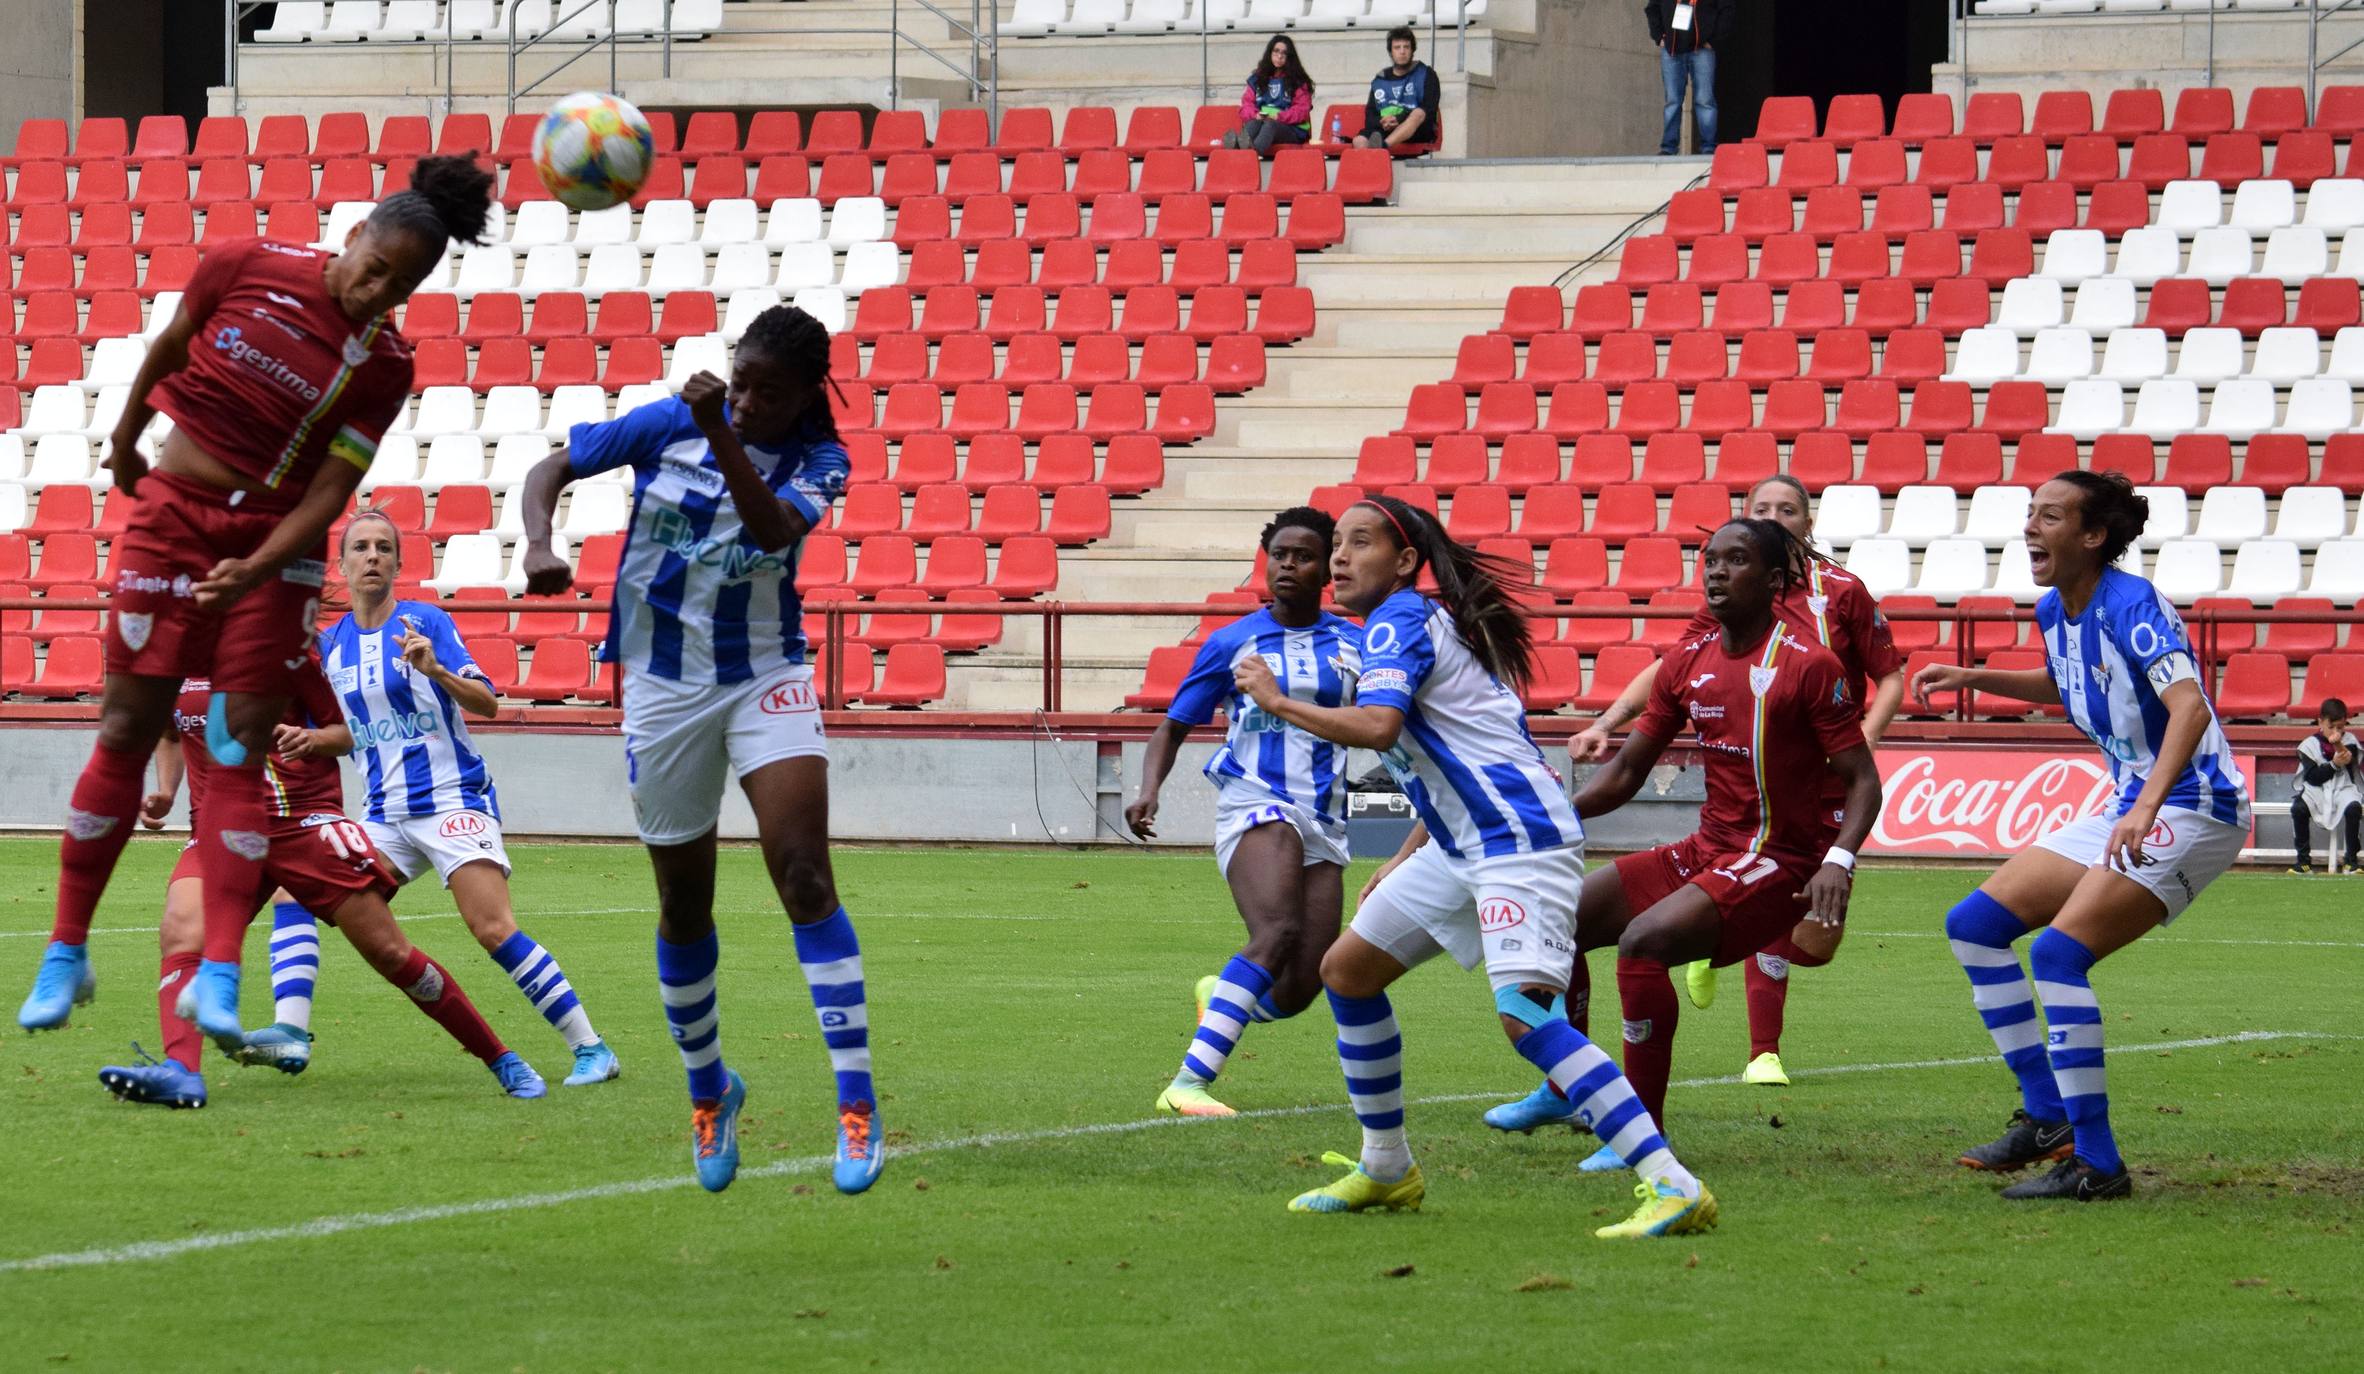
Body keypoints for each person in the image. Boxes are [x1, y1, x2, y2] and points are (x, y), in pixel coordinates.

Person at [18, 156, 495, 1038]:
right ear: (352, 237)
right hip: (175, 514)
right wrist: (124, 442)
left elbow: (329, 492)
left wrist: (260, 563)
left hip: (277, 555)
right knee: (126, 726)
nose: (378, 291)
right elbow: (167, 347)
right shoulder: (247, 264)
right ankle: (66, 950)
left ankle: (225, 978)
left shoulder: (384, 365)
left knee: (237, 749)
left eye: (404, 285)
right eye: (376, 266)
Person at [1232, 494, 1717, 1240]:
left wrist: (1274, 698)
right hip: (1465, 845)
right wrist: (1403, 856)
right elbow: (1453, 752)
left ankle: (1672, 1185)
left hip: (1517, 840)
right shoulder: (1414, 621)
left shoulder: (1397, 620)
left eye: (1360, 543)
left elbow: (1379, 727)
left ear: (1402, 562)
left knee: (1524, 1016)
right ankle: (1388, 1168)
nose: (1338, 557)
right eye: (1339, 545)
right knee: (1348, 972)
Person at [514, 304, 878, 1196]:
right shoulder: (667, 420)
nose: (748, 401)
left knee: (803, 875)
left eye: (769, 392)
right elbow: (551, 466)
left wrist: (718, 425)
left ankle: (859, 1103)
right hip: (661, 688)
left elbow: (768, 532)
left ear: (806, 396)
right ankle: (710, 1089)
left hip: (766, 674)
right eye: (740, 381)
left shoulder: (821, 461)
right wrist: (537, 542)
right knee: (684, 907)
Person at [1488, 475, 1904, 1134]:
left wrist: (1840, 861)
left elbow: (1863, 779)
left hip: (1778, 858)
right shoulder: (1690, 659)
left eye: (1736, 561)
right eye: (1711, 561)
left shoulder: (1809, 664)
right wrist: (1556, 815)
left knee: (1645, 941)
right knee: (1561, 920)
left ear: (1773, 582)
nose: (1716, 572)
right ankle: (1566, 1085)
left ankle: (1637, 1130)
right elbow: (1628, 771)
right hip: (1708, 849)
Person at [1913, 471, 2250, 1202]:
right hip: (2135, 799)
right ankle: (2045, 1118)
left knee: (2061, 954)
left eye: (2051, 516)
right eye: (2029, 513)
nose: (2031, 527)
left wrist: (2145, 807)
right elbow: (2067, 685)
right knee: (1973, 925)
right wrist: (1974, 676)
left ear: (2093, 537)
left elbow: (2188, 709)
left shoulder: (2132, 603)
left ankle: (2098, 1162)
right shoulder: (2052, 611)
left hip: (2195, 805)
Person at [97, 658, 545, 1107]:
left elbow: (349, 732)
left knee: (389, 952)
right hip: (220, 829)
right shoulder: (175, 659)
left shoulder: (288, 654)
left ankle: (500, 1057)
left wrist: (312, 739)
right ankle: (181, 1073)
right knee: (179, 932)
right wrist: (166, 790)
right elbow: (170, 731)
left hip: (302, 824)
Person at [308, 508, 619, 1085]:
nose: (372, 556)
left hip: (451, 801)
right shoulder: (330, 647)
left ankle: (592, 1049)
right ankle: (290, 1029)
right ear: (343, 565)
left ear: (399, 563)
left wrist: (434, 671)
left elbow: (487, 702)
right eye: (361, 548)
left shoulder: (425, 622)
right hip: (382, 816)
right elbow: (346, 732)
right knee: (296, 896)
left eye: (383, 547)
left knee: (493, 928)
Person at [1127, 508, 1361, 1118]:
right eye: (1279, 554)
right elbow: (1173, 726)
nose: (1288, 564)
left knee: (1302, 984)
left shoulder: (1355, 644)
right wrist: (1149, 788)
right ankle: (1187, 1084)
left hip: (1326, 818)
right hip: (1256, 800)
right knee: (1276, 930)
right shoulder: (1233, 640)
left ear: (1327, 569)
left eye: (1303, 555)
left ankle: (1222, 993)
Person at [1644, 0, 1729, 155]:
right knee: (1672, 101)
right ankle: (1669, 148)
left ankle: (1708, 147)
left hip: (1702, 49)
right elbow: (1652, 9)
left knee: (1705, 100)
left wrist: (1714, 40)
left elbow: (1727, 9)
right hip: (1672, 50)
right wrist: (1659, 37)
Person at [2289, 697, 2360, 874]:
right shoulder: (2309, 745)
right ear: (2320, 722)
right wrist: (2333, 765)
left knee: (2353, 808)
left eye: (2340, 727)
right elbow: (2312, 778)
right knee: (2298, 808)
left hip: (2342, 787)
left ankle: (2351, 860)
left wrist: (2337, 743)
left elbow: (2349, 758)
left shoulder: (2350, 740)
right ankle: (2303, 861)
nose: (2336, 732)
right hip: (2316, 789)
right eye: (2332, 727)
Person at [1223, 35, 1315, 157]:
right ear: (1270, 53)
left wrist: (1279, 116)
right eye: (1276, 51)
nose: (1279, 56)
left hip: (1292, 129)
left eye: (1284, 53)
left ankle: (1249, 153)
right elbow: (1246, 106)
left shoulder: (1298, 81)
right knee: (1253, 123)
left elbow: (1302, 110)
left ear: (1290, 57)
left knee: (1270, 124)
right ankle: (1239, 149)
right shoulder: (1257, 78)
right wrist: (1256, 114)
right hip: (1263, 123)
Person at [1352, 27, 1441, 153]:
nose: (1402, 51)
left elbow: (1429, 110)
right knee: (1359, 140)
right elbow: (1370, 116)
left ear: (1412, 50)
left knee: (1419, 113)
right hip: (1385, 128)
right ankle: (1372, 170)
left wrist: (1398, 119)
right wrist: (1383, 121)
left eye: (1406, 47)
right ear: (1390, 52)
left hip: (1417, 130)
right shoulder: (1380, 79)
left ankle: (1383, 147)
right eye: (1397, 47)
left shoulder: (1426, 74)